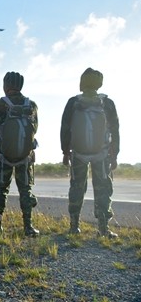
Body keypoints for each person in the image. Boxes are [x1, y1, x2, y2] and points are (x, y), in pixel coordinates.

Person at [60, 68, 120, 238]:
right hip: (101, 154)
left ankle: (74, 226)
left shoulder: (73, 102)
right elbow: (115, 130)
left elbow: (65, 128)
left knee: (77, 187)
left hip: (78, 153)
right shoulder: (107, 103)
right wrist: (115, 155)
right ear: (99, 83)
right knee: (103, 189)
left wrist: (65, 152)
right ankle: (103, 228)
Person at [0, 72, 40, 237]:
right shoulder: (31, 105)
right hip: (25, 156)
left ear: (5, 85)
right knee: (25, 190)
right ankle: (28, 226)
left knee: (1, 189)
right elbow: (35, 129)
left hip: (4, 156)